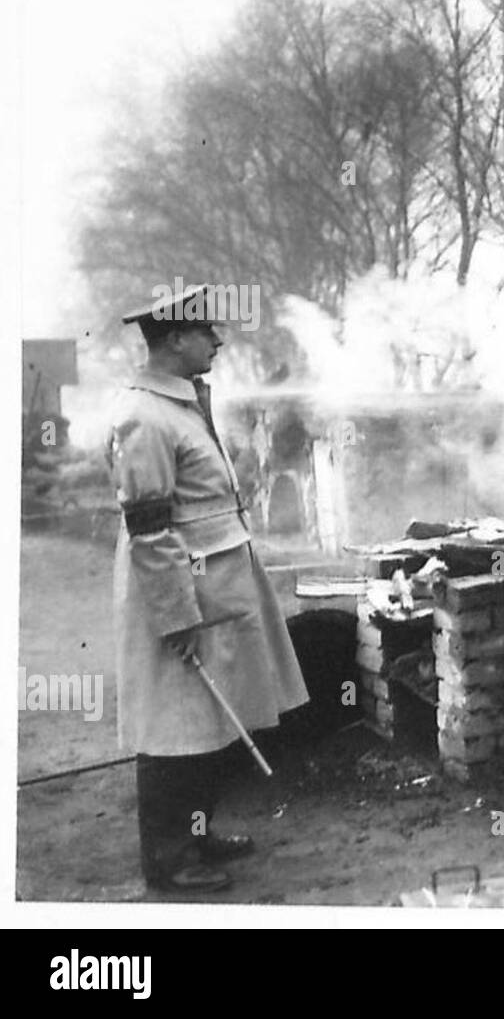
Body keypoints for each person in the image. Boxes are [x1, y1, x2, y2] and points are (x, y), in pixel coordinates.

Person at [109, 284, 309, 890]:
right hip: (176, 592)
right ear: (173, 339)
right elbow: (149, 530)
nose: (219, 341)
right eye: (206, 332)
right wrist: (177, 617)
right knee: (174, 726)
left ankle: (197, 835)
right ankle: (169, 861)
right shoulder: (142, 416)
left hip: (214, 587)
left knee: (210, 720)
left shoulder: (183, 401)